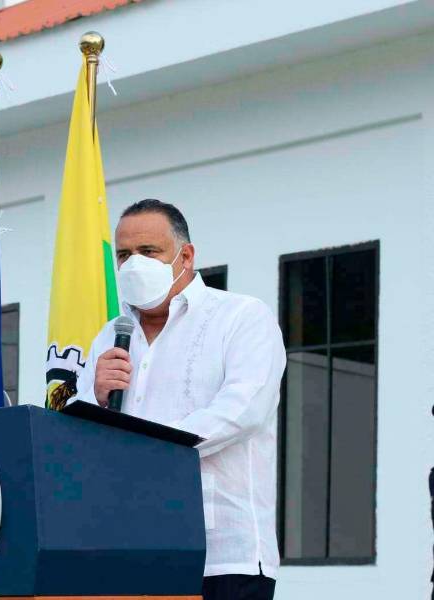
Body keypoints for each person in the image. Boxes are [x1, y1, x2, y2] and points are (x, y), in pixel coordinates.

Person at [74, 199, 286, 600]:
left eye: (148, 251)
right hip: (129, 548)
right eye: (124, 255)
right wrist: (95, 396)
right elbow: (80, 438)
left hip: (222, 555)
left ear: (185, 256)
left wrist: (149, 448)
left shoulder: (241, 317)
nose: (133, 264)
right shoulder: (111, 334)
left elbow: (244, 410)